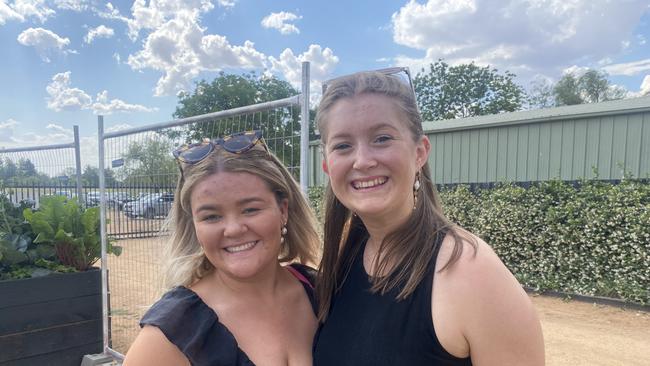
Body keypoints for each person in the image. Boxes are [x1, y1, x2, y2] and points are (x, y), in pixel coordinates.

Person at [312, 69, 545, 365]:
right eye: (343, 145)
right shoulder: (344, 257)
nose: (363, 160)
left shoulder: (469, 270)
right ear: (327, 166)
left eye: (382, 138)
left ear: (420, 152)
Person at [124, 130, 321, 366]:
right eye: (211, 217)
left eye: (250, 209)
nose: (233, 229)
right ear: (195, 226)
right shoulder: (169, 336)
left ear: (283, 211)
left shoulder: (320, 291)